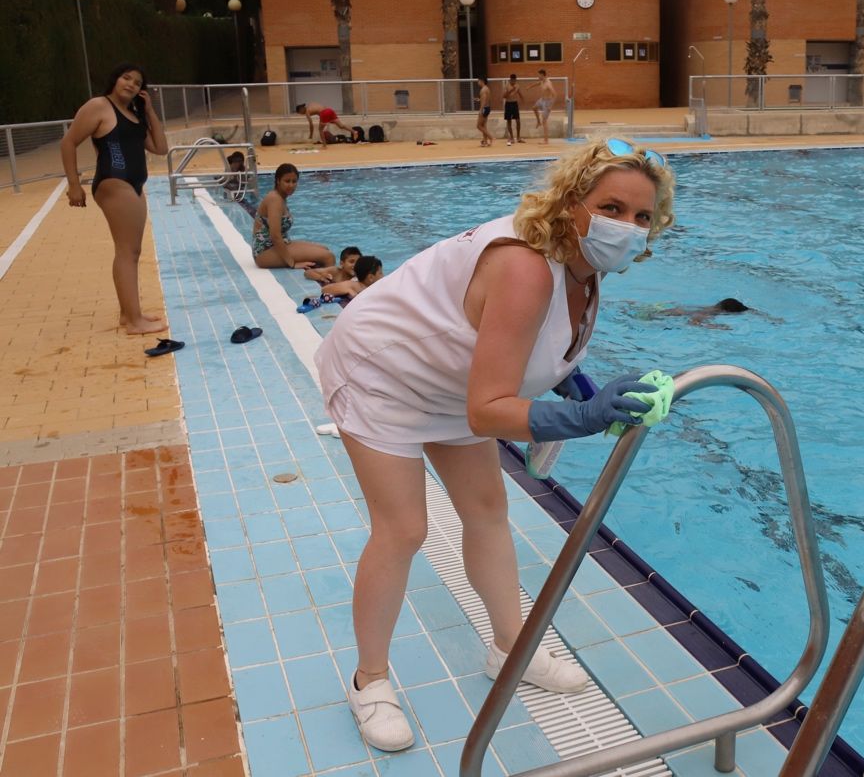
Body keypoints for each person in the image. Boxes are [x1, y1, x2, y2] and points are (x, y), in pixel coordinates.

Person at [314, 137, 675, 751]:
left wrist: (575, 383)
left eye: (642, 217)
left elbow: (527, 352)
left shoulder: (583, 271)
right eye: (611, 208)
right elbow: (488, 411)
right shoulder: (525, 265)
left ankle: (511, 649)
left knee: (486, 511)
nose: (627, 227)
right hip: (382, 373)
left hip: (452, 379)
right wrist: (583, 415)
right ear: (570, 204)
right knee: (403, 529)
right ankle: (368, 680)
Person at [60, 62, 169, 335]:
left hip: (134, 185)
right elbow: (69, 142)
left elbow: (160, 147)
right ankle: (134, 321)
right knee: (126, 251)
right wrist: (74, 185)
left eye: (137, 82)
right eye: (126, 78)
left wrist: (150, 110)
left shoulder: (132, 114)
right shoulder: (99, 106)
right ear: (115, 79)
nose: (130, 84)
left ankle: (128, 314)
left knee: (132, 251)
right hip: (114, 182)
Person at [251, 163, 335, 270]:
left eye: (294, 181)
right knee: (328, 257)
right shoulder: (274, 199)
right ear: (278, 181)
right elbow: (275, 236)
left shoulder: (281, 197)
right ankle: (330, 284)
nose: (291, 185)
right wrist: (292, 263)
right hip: (265, 252)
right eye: (287, 181)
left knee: (324, 249)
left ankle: (323, 277)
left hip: (280, 245)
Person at [532, 69, 556, 144]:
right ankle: (538, 122)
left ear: (542, 75)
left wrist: (550, 106)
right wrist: (530, 86)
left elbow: (554, 94)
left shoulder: (548, 84)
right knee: (534, 108)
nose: (538, 76)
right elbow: (538, 83)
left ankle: (546, 140)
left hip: (547, 102)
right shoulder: (542, 81)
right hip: (542, 100)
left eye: (539, 75)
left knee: (544, 121)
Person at [502, 74, 525, 145]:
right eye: (512, 80)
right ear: (510, 80)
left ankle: (518, 137)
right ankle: (511, 137)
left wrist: (523, 100)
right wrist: (510, 90)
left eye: (515, 80)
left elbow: (520, 93)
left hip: (515, 103)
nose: (514, 81)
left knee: (518, 120)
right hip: (508, 104)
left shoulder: (517, 85)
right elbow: (504, 96)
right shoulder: (507, 86)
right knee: (509, 121)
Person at [475, 78, 494, 147]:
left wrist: (481, 109)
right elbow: (485, 98)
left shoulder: (483, 90)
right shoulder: (487, 88)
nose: (478, 82)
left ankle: (490, 137)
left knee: (479, 126)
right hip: (487, 107)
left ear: (482, 81)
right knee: (483, 126)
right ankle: (485, 141)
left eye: (478, 81)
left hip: (484, 108)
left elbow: (484, 100)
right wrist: (479, 99)